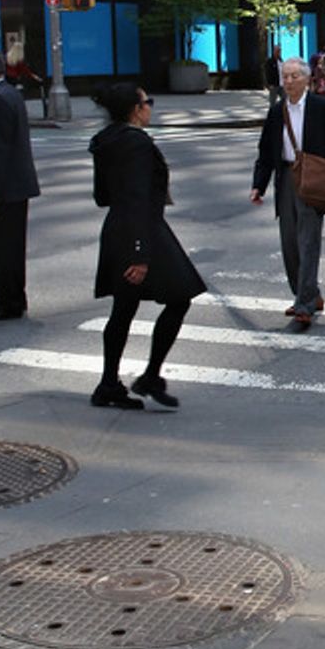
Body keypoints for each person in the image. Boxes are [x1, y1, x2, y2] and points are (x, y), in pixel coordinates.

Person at [88, 82, 205, 409]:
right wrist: (140, 252)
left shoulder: (105, 140)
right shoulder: (136, 143)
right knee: (181, 297)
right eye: (147, 101)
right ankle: (148, 376)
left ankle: (109, 384)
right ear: (136, 109)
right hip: (143, 231)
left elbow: (102, 197)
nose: (150, 106)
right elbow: (138, 197)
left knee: (123, 310)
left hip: (117, 228)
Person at [250, 57, 325, 327]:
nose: (289, 81)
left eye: (295, 76)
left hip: (314, 180)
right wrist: (258, 185)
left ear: (307, 79)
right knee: (290, 244)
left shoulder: (323, 107)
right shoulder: (276, 112)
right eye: (285, 76)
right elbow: (265, 153)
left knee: (308, 242)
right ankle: (309, 294)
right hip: (286, 179)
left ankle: (304, 304)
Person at [0, 50, 40, 322]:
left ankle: (8, 302)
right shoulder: (9, 93)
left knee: (2, 249)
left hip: (6, 188)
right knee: (11, 246)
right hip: (17, 185)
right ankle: (13, 299)